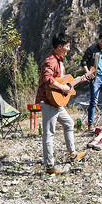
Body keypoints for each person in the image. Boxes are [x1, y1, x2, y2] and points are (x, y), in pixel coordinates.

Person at [35, 32, 90, 174]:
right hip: (47, 101)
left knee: (69, 124)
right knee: (49, 133)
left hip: (56, 101)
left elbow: (61, 81)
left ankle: (72, 153)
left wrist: (78, 80)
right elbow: (48, 79)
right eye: (67, 46)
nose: (68, 49)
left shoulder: (59, 60)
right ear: (59, 47)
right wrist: (63, 87)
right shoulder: (50, 61)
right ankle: (50, 166)